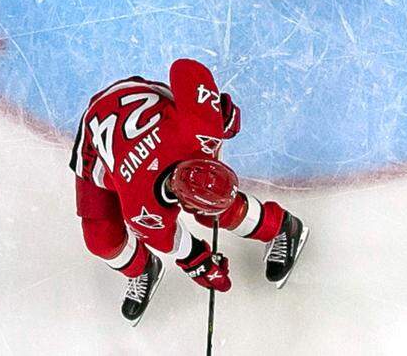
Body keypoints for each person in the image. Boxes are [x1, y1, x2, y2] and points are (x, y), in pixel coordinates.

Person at [69, 58, 308, 325]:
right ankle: (143, 269)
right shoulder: (143, 207)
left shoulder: (203, 129)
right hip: (96, 142)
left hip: (136, 101)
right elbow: (172, 242)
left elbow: (185, 68)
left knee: (214, 207)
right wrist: (198, 262)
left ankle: (281, 226)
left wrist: (215, 109)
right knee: (101, 239)